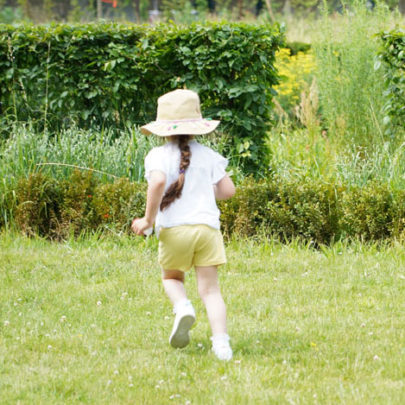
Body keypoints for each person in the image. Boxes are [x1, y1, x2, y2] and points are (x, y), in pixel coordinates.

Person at [131, 89, 236, 361]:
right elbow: (228, 191)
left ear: (162, 129)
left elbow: (156, 182)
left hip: (175, 230)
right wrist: (200, 191)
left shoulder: (157, 155)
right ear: (196, 128)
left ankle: (183, 306)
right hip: (207, 231)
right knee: (211, 290)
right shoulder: (209, 155)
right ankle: (222, 345)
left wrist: (147, 220)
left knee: (172, 278)